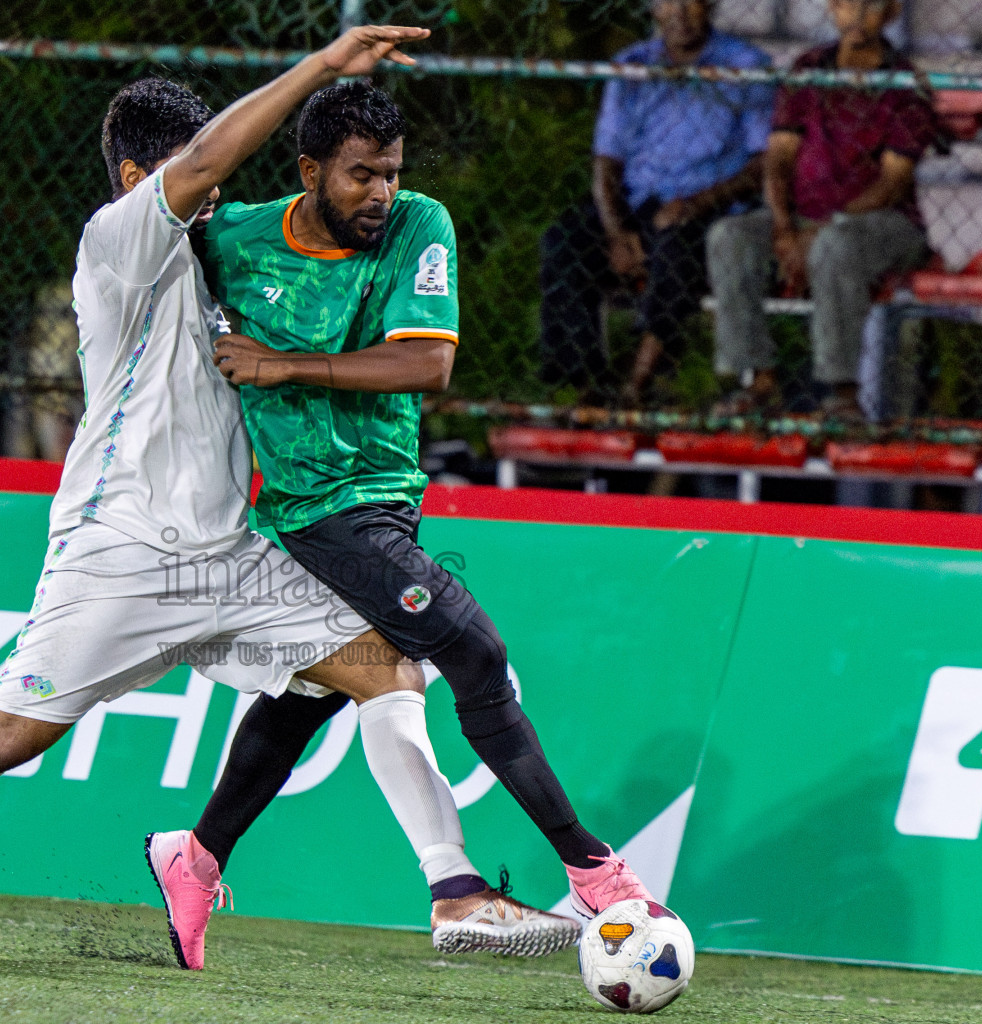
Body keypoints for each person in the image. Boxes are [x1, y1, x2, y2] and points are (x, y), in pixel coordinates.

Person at [0, 27, 577, 967]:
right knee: (9, 735)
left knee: (389, 669)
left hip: (229, 552)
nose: (210, 183)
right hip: (122, 551)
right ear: (136, 171)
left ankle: (455, 893)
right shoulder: (120, 238)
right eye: (185, 165)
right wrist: (327, 67)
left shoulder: (220, 248)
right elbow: (216, 156)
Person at [149, 79, 651, 970]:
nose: (380, 192)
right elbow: (148, 249)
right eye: (359, 176)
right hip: (315, 516)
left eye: (389, 172)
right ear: (309, 172)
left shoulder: (420, 223)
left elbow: (425, 365)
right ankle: (590, 871)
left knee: (315, 691)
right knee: (475, 654)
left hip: (387, 500)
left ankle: (196, 855)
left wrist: (281, 366)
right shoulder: (234, 240)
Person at [706, 0, 936, 419]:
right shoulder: (808, 68)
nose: (857, 15)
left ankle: (842, 393)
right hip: (803, 216)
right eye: (847, 3)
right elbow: (778, 160)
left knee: (834, 245)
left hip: (883, 224)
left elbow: (893, 182)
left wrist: (825, 227)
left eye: (871, 5)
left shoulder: (906, 83)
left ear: (892, 12)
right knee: (730, 237)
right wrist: (782, 228)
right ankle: (758, 379)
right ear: (832, 7)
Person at [538, 0, 772, 404]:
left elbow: (763, 161)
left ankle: (638, 383)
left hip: (708, 202)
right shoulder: (632, 65)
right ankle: (584, 387)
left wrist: (697, 203)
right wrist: (616, 231)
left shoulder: (746, 64)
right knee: (563, 242)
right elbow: (606, 160)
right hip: (639, 198)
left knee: (677, 247)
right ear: (652, 8)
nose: (679, 11)